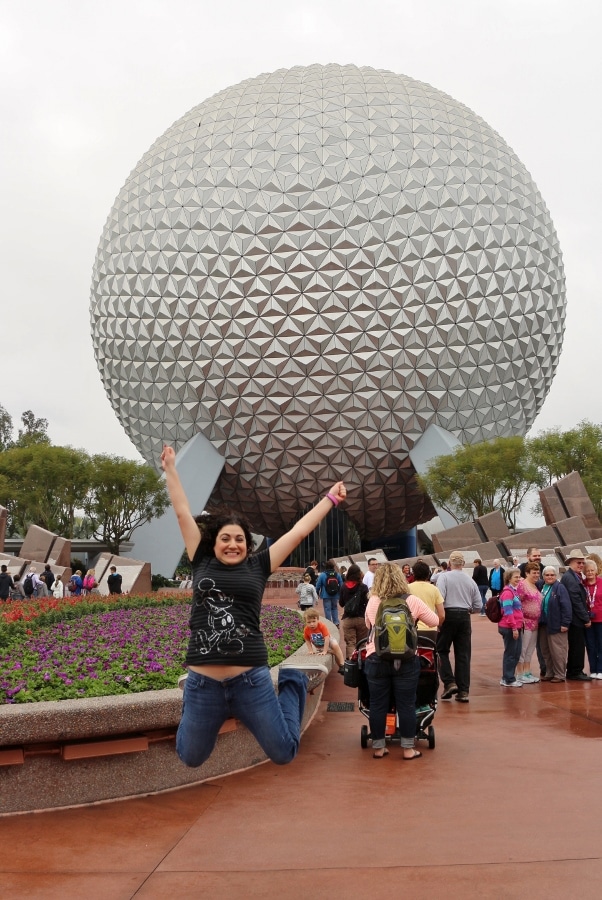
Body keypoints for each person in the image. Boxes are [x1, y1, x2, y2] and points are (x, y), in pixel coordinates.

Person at [161, 442, 346, 768]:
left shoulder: (258, 566)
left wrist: (329, 500)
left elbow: (299, 531)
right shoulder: (200, 560)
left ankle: (293, 680)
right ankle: (194, 704)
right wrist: (171, 470)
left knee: (284, 751)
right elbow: (180, 512)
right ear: (213, 542)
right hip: (204, 683)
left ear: (247, 545)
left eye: (239, 539)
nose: (232, 544)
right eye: (225, 538)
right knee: (190, 756)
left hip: (250, 681)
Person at [364, 563, 438, 759]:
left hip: (376, 657)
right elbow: (435, 621)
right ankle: (407, 749)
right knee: (406, 704)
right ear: (402, 578)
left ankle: (379, 748)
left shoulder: (373, 601)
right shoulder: (411, 600)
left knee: (377, 704)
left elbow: (368, 625)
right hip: (406, 659)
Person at [435, 550, 481, 702]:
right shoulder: (470, 580)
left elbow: (440, 597)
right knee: (463, 654)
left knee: (441, 649)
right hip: (464, 616)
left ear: (449, 563)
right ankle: (463, 691)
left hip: (448, 613)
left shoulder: (444, 577)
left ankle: (449, 682)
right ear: (463, 564)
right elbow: (478, 605)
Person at [561, 549, 592, 681]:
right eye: (578, 562)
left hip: (575, 618)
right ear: (571, 563)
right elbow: (576, 601)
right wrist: (586, 618)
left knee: (576, 645)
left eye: (582, 563)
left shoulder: (574, 576)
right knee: (577, 645)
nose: (581, 565)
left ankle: (574, 670)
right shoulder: (570, 578)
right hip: (575, 619)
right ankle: (575, 671)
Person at [538, 566, 571, 682]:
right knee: (545, 650)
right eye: (547, 575)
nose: (549, 577)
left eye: (552, 575)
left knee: (558, 651)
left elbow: (566, 606)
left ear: (556, 576)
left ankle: (560, 674)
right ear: (543, 577)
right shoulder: (541, 587)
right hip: (543, 625)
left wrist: (565, 623)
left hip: (557, 625)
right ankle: (549, 672)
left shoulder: (560, 588)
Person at [515, 562, 543, 683]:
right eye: (534, 573)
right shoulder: (522, 585)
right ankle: (519, 673)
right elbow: (517, 603)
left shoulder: (535, 586)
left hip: (535, 623)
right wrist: (520, 620)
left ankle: (527, 671)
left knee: (530, 649)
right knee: (523, 648)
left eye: (538, 573)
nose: (536, 575)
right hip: (525, 622)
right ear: (527, 573)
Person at [498, 568, 524, 687]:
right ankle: (508, 678)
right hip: (509, 627)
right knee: (511, 653)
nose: (518, 579)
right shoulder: (508, 593)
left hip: (515, 626)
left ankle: (508, 677)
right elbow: (508, 612)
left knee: (516, 652)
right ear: (509, 579)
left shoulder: (513, 591)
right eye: (516, 577)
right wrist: (514, 628)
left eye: (519, 577)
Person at [338, 563, 369, 658]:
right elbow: (367, 602)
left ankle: (351, 663)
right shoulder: (363, 587)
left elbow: (341, 603)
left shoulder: (344, 586)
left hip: (348, 618)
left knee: (350, 643)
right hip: (361, 618)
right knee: (362, 643)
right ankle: (362, 662)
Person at [303, 608, 345, 673]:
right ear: (305, 622)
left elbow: (327, 638)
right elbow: (307, 640)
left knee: (335, 646)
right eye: (309, 622)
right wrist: (310, 650)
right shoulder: (306, 629)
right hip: (319, 644)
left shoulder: (322, 626)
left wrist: (325, 651)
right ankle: (332, 653)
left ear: (318, 620)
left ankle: (342, 664)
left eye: (314, 621)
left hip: (328, 640)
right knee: (334, 652)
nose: (311, 624)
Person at [409, 559, 445, 632]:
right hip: (430, 629)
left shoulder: (407, 588)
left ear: (414, 574)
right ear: (428, 574)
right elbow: (442, 615)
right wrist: (437, 624)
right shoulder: (434, 589)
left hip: (411, 629)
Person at [584, 559, 602, 678]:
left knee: (601, 644)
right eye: (588, 570)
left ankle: (600, 670)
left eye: (592, 570)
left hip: (601, 619)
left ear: (596, 571)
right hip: (587, 620)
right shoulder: (582, 583)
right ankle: (593, 669)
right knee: (590, 645)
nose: (590, 572)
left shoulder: (601, 582)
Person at [315, 560, 342, 625]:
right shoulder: (337, 574)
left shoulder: (322, 575)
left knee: (327, 609)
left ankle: (329, 623)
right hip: (335, 594)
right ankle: (336, 622)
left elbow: (318, 585)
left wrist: (317, 592)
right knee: (334, 608)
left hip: (325, 594)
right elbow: (341, 584)